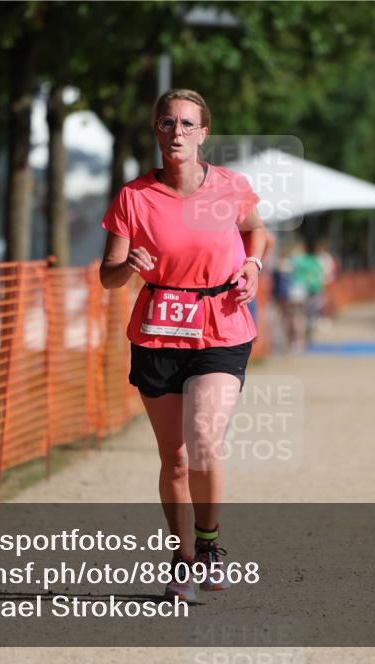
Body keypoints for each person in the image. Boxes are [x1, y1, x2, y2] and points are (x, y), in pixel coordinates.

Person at [98, 89, 267, 603]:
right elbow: (108, 275)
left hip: (221, 324)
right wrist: (128, 267)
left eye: (188, 124)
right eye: (168, 123)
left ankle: (210, 544)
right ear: (156, 130)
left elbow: (257, 231)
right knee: (173, 458)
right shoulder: (133, 197)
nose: (177, 132)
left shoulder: (230, 186)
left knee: (203, 440)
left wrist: (252, 265)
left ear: (203, 133)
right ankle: (183, 558)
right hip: (159, 330)